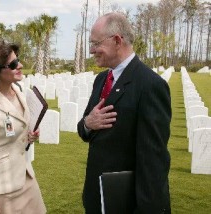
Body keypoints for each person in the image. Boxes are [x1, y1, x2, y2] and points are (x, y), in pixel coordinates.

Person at [77, 12, 171, 214]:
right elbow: (85, 130)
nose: (92, 50)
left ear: (117, 40)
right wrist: (87, 123)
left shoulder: (150, 85)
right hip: (96, 196)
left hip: (125, 200)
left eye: (95, 43)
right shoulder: (101, 80)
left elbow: (153, 160)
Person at [0, 40, 46, 214]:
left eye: (17, 59)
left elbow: (14, 134)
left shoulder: (18, 91)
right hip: (3, 188)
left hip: (26, 178)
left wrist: (29, 136)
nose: (20, 65)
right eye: (13, 64)